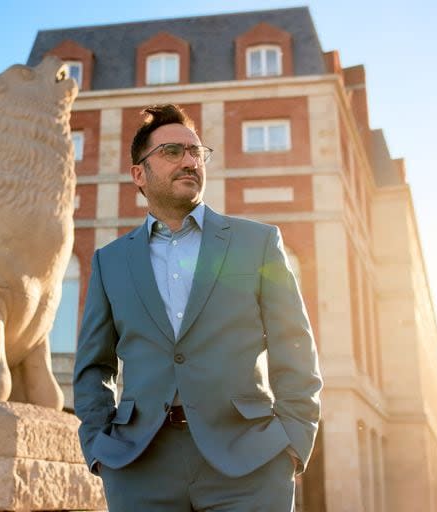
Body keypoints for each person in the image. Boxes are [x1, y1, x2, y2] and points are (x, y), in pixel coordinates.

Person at [73, 104, 322, 511]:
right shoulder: (110, 261)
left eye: (196, 152)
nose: (189, 161)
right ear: (140, 174)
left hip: (250, 463)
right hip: (140, 467)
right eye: (172, 152)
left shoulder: (256, 243)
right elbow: (93, 366)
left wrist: (293, 441)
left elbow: (294, 344)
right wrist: (99, 448)